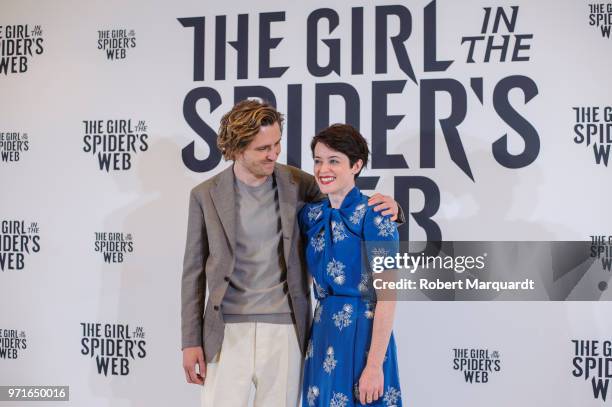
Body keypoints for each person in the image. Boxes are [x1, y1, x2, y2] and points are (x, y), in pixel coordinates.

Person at [181, 100, 402, 407]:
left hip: (288, 329)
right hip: (228, 331)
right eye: (262, 149)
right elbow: (193, 272)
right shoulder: (205, 195)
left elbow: (347, 198)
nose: (273, 154)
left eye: (276, 144)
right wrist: (190, 340)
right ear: (237, 148)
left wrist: (394, 209)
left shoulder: (298, 184)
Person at [299, 124, 402, 407]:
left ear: (356, 165)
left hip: (363, 335)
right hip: (322, 333)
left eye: (334, 161)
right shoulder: (311, 215)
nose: (323, 169)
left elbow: (388, 297)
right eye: (318, 161)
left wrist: (374, 366)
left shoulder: (377, 215)